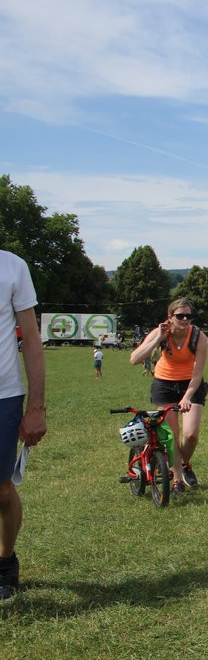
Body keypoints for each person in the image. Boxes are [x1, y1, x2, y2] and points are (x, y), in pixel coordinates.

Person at [0, 251, 47, 600]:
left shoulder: (12, 266)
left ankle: (4, 561)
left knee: (0, 491)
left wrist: (36, 407)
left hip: (4, 396)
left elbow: (31, 339)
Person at [130, 297, 208, 493]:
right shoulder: (160, 333)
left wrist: (187, 397)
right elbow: (134, 359)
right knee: (172, 436)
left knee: (190, 435)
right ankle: (176, 479)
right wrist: (158, 339)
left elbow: (198, 373)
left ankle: (184, 464)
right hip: (164, 383)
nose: (184, 319)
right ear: (170, 317)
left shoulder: (198, 336)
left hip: (191, 384)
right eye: (180, 315)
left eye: (188, 316)